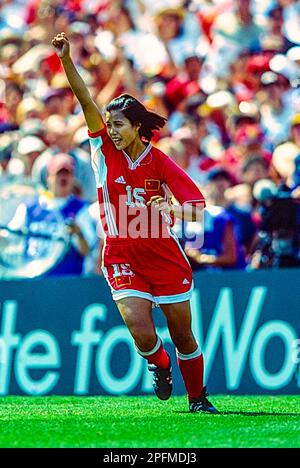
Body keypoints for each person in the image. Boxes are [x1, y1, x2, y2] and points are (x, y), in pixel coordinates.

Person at [51, 32, 219, 414]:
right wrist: (65, 59)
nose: (111, 129)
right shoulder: (102, 150)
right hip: (121, 253)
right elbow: (84, 100)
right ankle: (158, 363)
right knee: (142, 333)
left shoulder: (159, 161)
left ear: (137, 128)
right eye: (109, 124)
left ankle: (198, 400)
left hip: (163, 254)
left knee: (183, 335)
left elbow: (196, 207)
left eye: (119, 124)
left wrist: (170, 211)